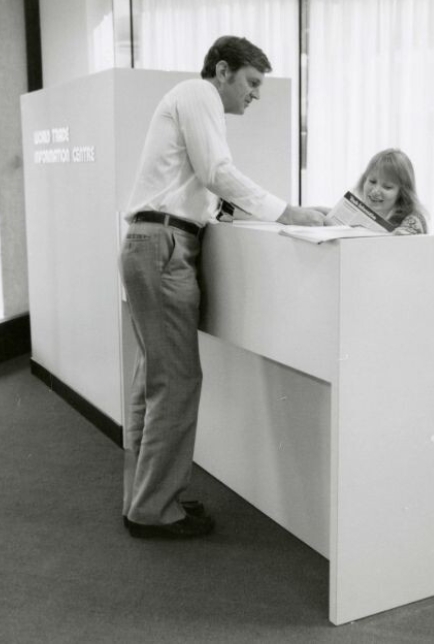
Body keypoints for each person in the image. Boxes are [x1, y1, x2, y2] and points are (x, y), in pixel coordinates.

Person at [120, 36, 326, 540]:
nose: (255, 96)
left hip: (154, 243)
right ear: (222, 70)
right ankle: (153, 509)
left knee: (156, 377)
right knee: (177, 382)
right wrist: (289, 212)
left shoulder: (190, 100)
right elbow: (217, 172)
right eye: (252, 83)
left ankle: (148, 492)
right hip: (166, 247)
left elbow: (197, 184)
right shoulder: (199, 94)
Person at [354, 148, 429, 235]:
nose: (375, 191)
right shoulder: (360, 212)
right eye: (372, 181)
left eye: (387, 187)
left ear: (402, 193)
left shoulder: (413, 220)